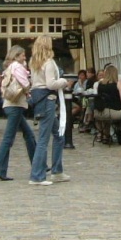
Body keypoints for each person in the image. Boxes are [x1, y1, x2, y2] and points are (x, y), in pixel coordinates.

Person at [28, 35, 72, 185]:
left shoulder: (33, 63)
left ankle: (57, 171)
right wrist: (64, 82)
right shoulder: (50, 63)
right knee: (43, 139)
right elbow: (51, 84)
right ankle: (37, 176)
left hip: (39, 99)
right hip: (48, 100)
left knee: (59, 136)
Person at [0, 46, 35, 181]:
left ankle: (39, 164)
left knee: (29, 135)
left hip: (12, 105)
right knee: (8, 139)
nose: (24, 58)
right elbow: (25, 83)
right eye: (22, 56)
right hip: (15, 105)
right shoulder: (17, 67)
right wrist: (30, 90)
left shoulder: (10, 67)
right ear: (16, 56)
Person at [93, 64, 121, 145]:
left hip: (98, 113)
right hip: (112, 113)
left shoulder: (100, 84)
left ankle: (106, 136)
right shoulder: (118, 83)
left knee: (107, 117)